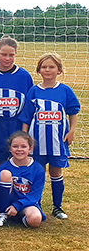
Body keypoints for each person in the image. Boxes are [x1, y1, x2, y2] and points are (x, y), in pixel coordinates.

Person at [20, 53, 81, 220]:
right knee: (37, 172)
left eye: (51, 67)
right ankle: (35, 203)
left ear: (59, 70)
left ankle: (57, 206)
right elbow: (27, 116)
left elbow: (73, 112)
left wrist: (72, 131)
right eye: (44, 67)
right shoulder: (34, 91)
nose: (48, 70)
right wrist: (25, 136)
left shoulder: (65, 90)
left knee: (56, 171)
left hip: (57, 141)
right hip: (37, 141)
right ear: (39, 70)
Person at [0, 36, 34, 163]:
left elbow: (29, 104)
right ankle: (2, 182)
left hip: (17, 123)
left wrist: (25, 128)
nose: (7, 58)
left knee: (18, 157)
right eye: (3, 54)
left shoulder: (24, 76)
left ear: (16, 54)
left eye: (11, 55)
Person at [0, 131, 46, 227]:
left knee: (35, 220)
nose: (19, 149)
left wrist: (17, 206)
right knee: (5, 174)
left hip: (27, 203)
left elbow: (35, 196)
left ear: (30, 149)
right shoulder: (4, 166)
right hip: (7, 203)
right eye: (15, 146)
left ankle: (19, 217)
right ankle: (2, 213)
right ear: (10, 149)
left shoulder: (38, 169)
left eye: (23, 146)